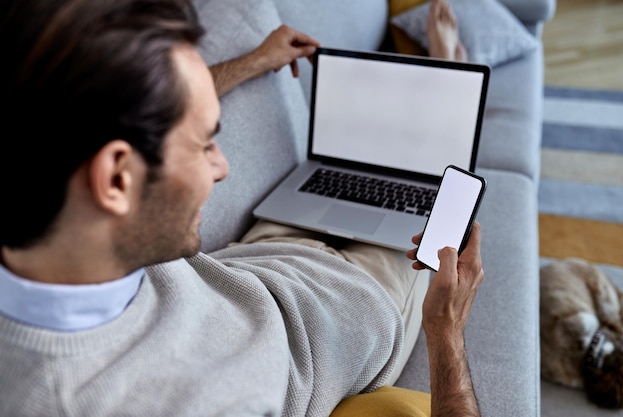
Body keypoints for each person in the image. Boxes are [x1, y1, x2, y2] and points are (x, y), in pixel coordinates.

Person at [0, 1, 482, 417]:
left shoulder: (75, 226)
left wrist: (257, 60)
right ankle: (449, 66)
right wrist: (447, 332)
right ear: (117, 179)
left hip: (255, 256)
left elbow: (126, 109)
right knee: (431, 186)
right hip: (359, 299)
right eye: (206, 144)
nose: (222, 166)